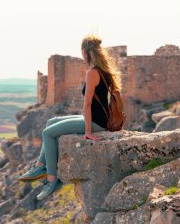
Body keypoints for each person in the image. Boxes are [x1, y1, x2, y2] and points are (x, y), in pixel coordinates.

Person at [18, 34, 122, 201]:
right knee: (50, 122)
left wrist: (87, 131)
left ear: (85, 52)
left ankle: (51, 179)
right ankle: (39, 166)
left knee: (47, 133)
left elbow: (87, 104)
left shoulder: (92, 73)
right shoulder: (104, 71)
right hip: (99, 119)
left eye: (82, 52)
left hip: (95, 123)